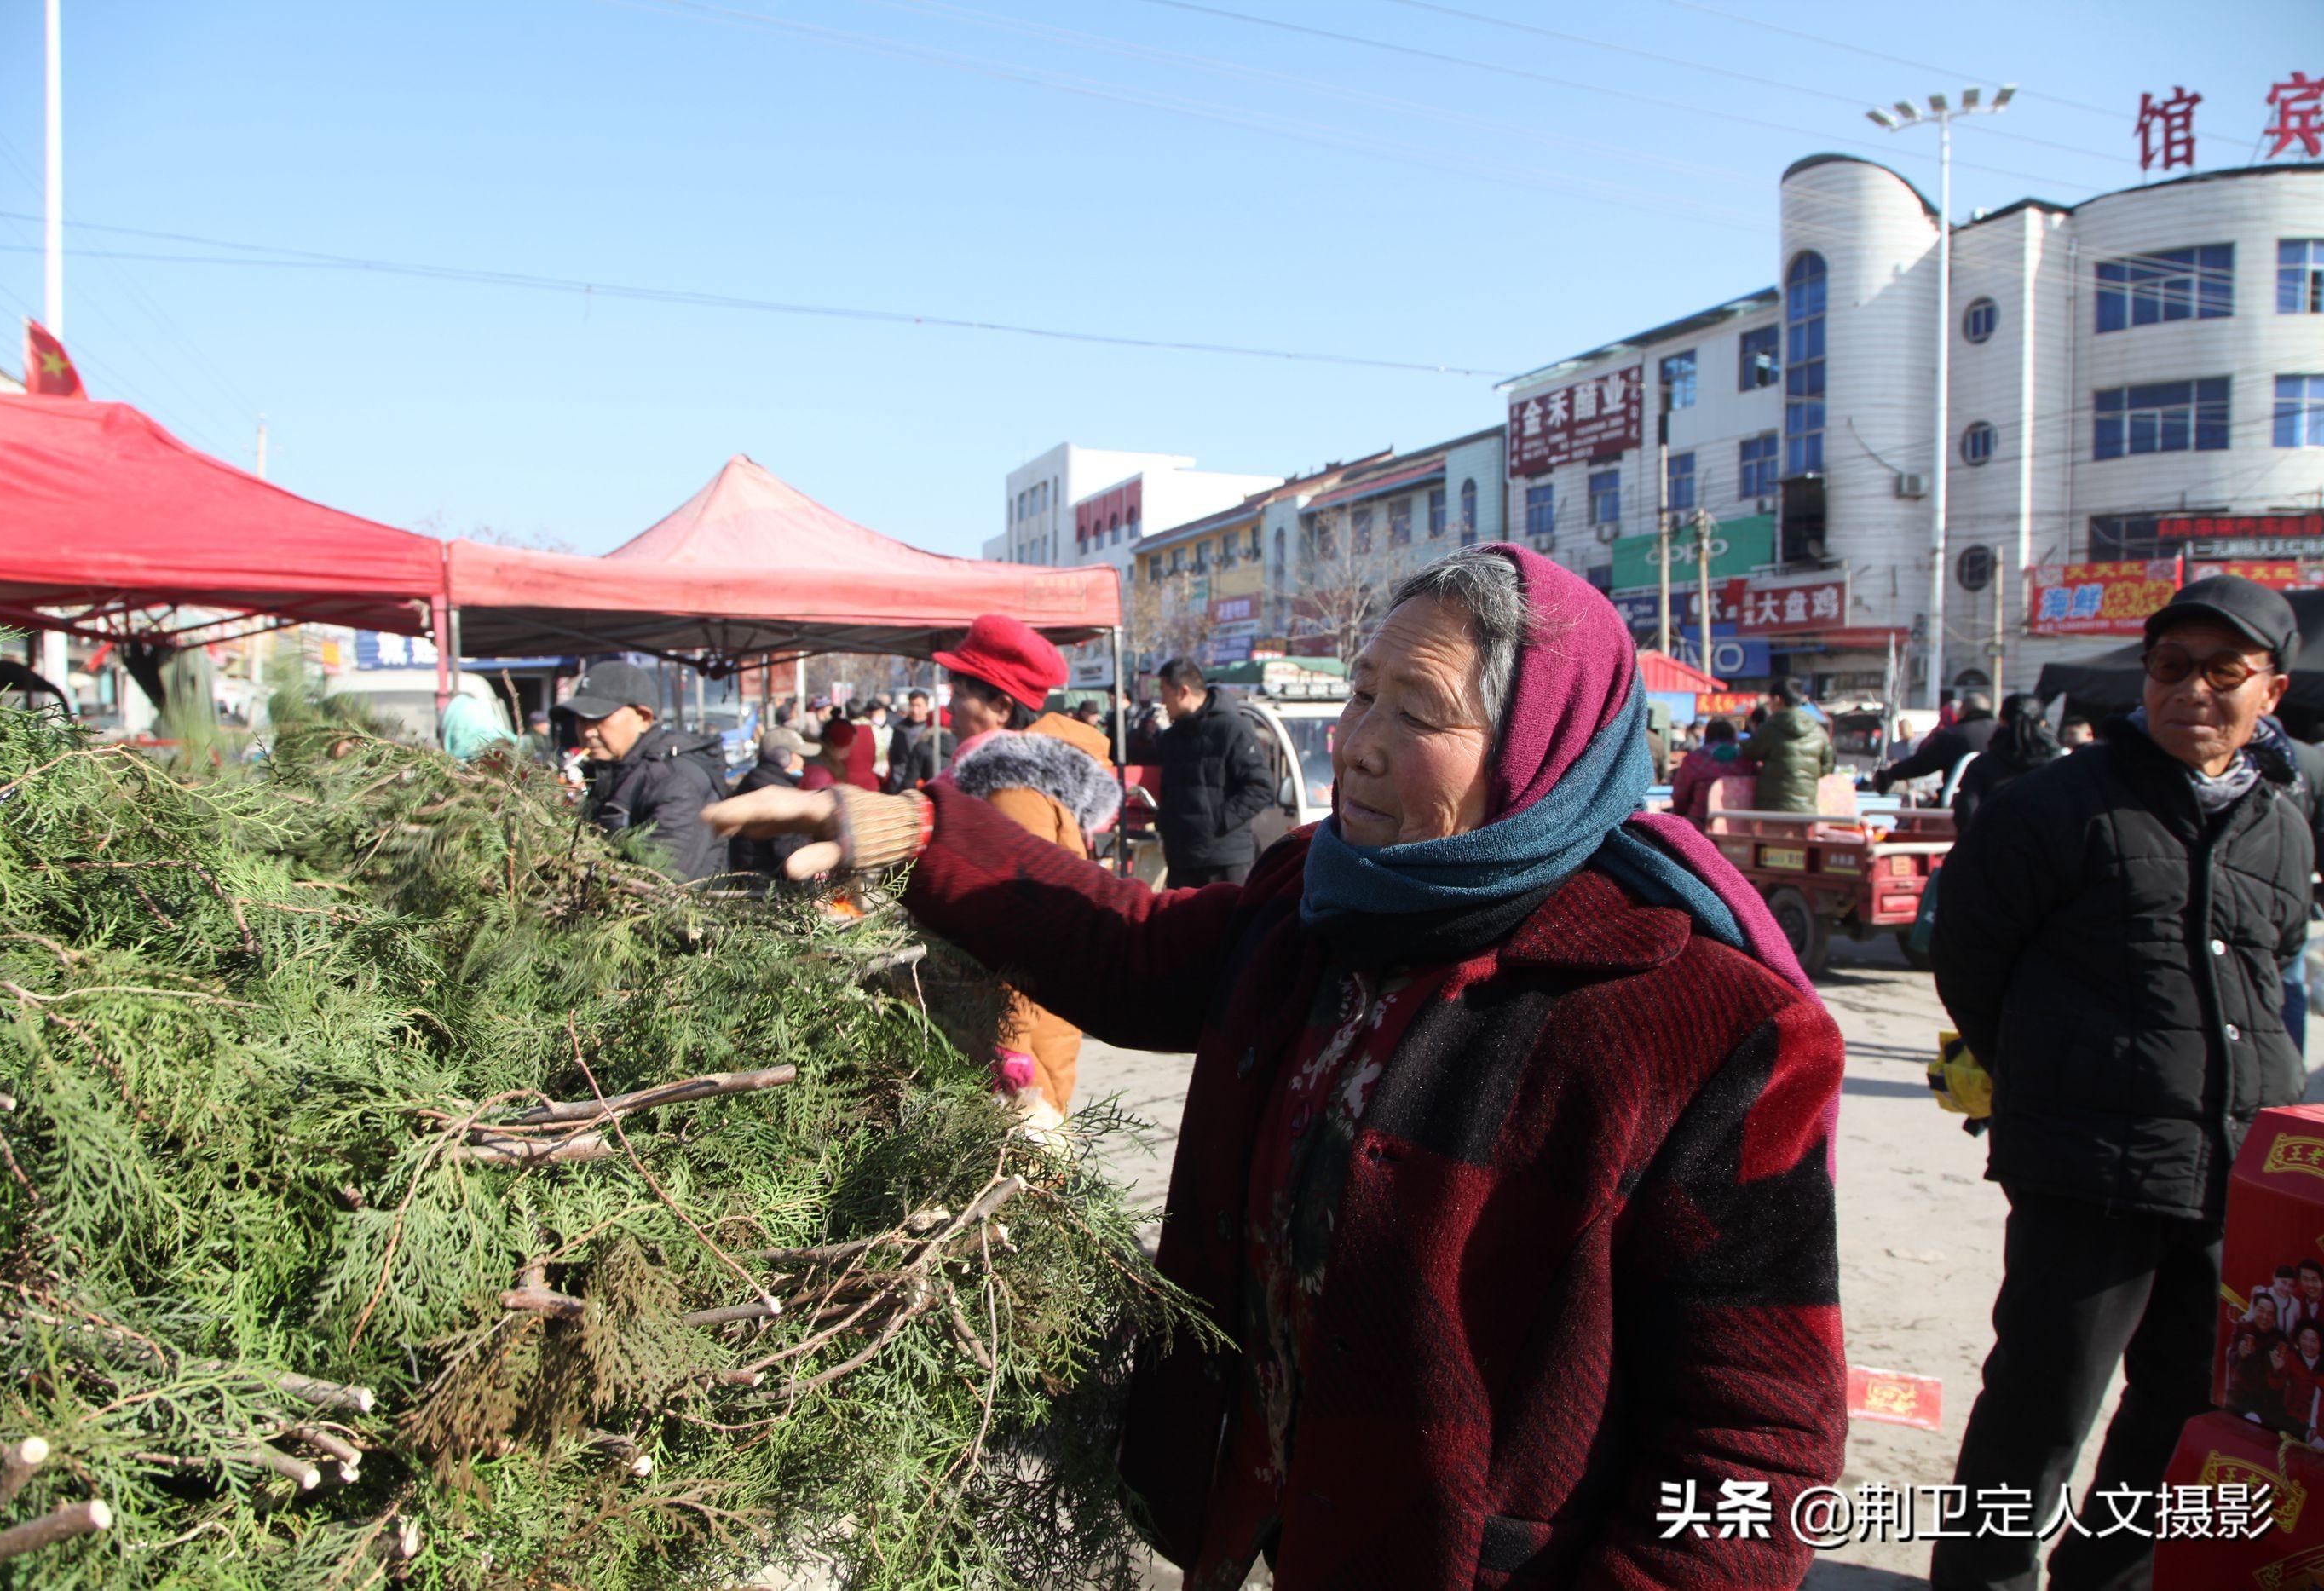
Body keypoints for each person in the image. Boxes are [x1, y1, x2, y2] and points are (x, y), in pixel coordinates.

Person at [703, 545, 1846, 1588]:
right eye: (1359, 692)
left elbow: (1757, 1441)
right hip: (1268, 1528)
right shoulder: (1320, 893)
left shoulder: (1695, 1024)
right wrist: (911, 829)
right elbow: (1135, 949)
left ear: (1542, 745)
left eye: (1420, 711)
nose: (1356, 741)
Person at [1929, 575, 2314, 1591]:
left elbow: (2272, 976)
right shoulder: (2052, 804)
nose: (2192, 691)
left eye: (2221, 673)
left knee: (2184, 1403)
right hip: (2086, 1166)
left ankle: (2109, 1579)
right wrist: (2056, 1079)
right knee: (2041, 1401)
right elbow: (1970, 957)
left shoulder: (2281, 824)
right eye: (2169, 667)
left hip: (2227, 1168)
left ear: (2269, 691)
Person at [931, 616, 1122, 1126]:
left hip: (1021, 1030)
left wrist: (1009, 1048)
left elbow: (1021, 924)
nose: (947, 708)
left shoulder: (1012, 788)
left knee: (1027, 1167)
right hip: (1010, 1015)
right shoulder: (1004, 775)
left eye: (959, 694)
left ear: (1001, 707)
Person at [562, 660, 730, 883]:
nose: (588, 731)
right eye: (581, 720)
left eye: (599, 718)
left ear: (643, 717)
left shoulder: (676, 780)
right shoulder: (614, 771)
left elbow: (659, 878)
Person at [1152, 656, 1275, 888]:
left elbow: (1260, 788)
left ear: (1183, 691)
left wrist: (1213, 823)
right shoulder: (1170, 739)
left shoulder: (1232, 728)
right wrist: (1166, 825)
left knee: (1229, 924)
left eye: (1164, 691)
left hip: (1225, 860)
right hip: (1181, 860)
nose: (1162, 701)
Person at [1950, 693, 2062, 832]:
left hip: (1995, 846)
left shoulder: (1981, 766)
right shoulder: (2062, 768)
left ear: (2002, 721)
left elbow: (1966, 815)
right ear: (2043, 723)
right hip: (2050, 848)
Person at [726, 726, 816, 879]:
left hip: (751, 879)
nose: (804, 761)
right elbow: (787, 854)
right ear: (784, 757)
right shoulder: (778, 795)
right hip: (769, 887)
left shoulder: (755, 782)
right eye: (800, 755)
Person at [1871, 689, 1997, 799]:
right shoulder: (2002, 732)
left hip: (1961, 802)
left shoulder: (1951, 736)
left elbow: (1921, 764)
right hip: (2001, 801)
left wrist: (1888, 774)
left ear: (1962, 712)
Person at [1736, 677, 1830, 814]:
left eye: (1770, 701)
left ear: (1778, 699)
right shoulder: (1818, 730)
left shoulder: (1770, 728)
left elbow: (1749, 752)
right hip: (1807, 809)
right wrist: (1807, 775)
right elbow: (1828, 765)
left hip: (1771, 808)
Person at [1670, 716, 1743, 819]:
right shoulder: (1746, 760)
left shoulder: (1694, 759)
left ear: (1708, 734)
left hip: (1699, 822)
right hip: (1740, 823)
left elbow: (1680, 797)